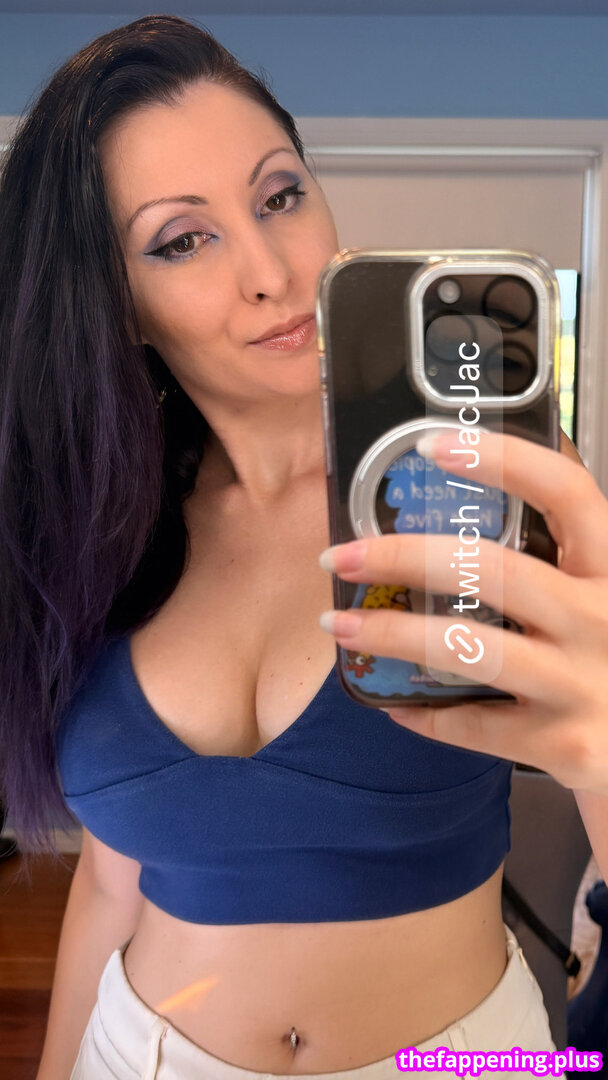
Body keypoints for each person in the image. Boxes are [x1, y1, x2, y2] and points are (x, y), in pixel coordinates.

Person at [0, 13, 606, 1080]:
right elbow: (111, 879)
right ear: (117, 301)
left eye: (279, 195)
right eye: (181, 240)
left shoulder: (481, 477)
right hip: (136, 1054)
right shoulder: (95, 527)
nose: (272, 270)